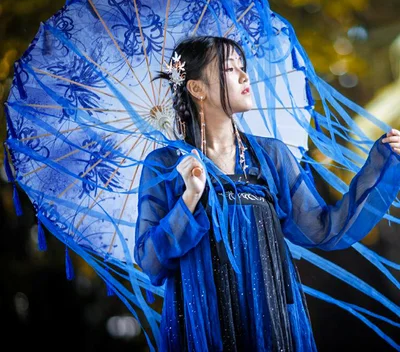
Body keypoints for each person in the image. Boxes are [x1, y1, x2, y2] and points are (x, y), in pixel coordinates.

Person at [134, 36, 400, 351]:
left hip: (270, 324)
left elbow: (326, 229)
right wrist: (190, 198)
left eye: (243, 67)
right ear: (197, 88)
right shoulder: (165, 166)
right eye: (230, 69)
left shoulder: (270, 156)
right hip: (200, 328)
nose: (245, 76)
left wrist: (384, 162)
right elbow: (151, 262)